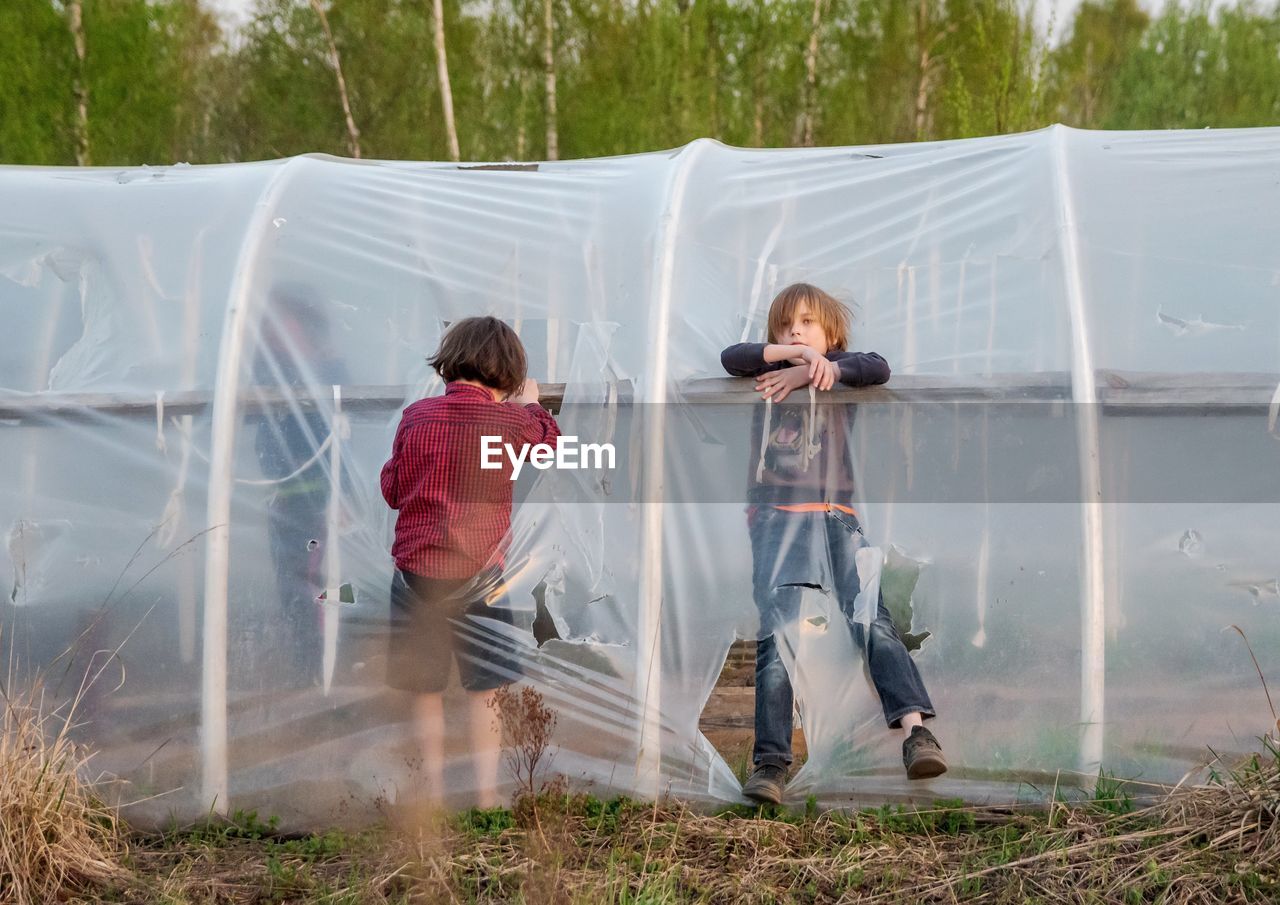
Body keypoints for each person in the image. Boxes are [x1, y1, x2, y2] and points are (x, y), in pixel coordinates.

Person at [720, 282, 946, 805]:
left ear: (832, 333)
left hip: (835, 516)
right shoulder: (763, 373)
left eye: (807, 323)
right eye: (785, 325)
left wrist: (821, 368)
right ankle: (771, 764)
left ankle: (916, 732)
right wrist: (794, 361)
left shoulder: (842, 373)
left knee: (872, 619)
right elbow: (733, 356)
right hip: (778, 519)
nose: (795, 331)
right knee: (776, 638)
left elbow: (878, 366)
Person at [381, 316, 560, 808]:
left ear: (448, 364)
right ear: (508, 375)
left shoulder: (416, 417)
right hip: (479, 578)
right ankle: (485, 796)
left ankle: (431, 796)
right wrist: (534, 406)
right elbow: (548, 453)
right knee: (486, 692)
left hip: (416, 578)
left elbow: (393, 491)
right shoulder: (511, 422)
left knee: (426, 690)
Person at [254, 283, 347, 687]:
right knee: (290, 584)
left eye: (281, 321)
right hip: (283, 497)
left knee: (316, 584)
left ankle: (319, 667)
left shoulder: (327, 371)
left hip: (316, 500)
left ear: (302, 324)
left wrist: (340, 496)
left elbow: (344, 441)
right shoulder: (269, 369)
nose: (271, 331)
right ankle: (305, 663)